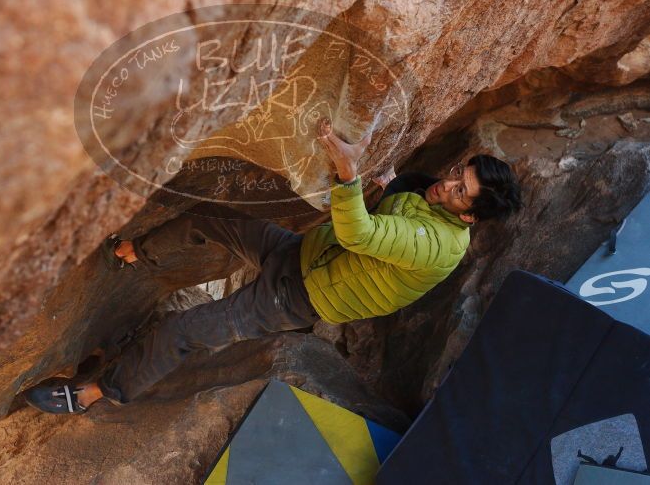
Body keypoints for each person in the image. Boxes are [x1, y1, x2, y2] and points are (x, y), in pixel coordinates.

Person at [26, 119, 522, 414]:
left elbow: (362, 234)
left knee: (183, 329)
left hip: (299, 299)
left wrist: (347, 174)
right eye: (458, 172)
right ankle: (135, 253)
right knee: (211, 220)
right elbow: (398, 199)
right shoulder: (432, 198)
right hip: (300, 254)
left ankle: (95, 393)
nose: (448, 184)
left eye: (460, 191)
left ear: (470, 217)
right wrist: (381, 184)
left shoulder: (438, 245)